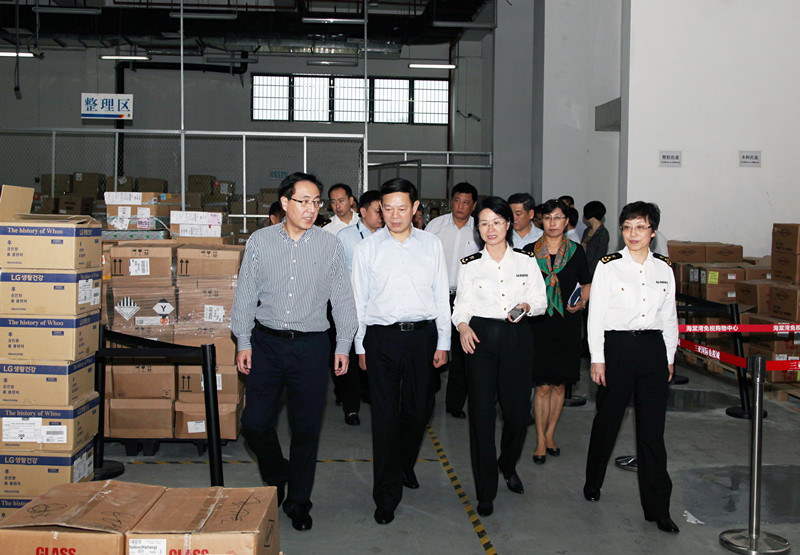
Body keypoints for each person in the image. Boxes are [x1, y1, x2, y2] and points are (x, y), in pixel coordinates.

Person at [231, 172, 357, 533]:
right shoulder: (260, 241)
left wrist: (344, 344)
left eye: (316, 202)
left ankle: (299, 501)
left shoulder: (330, 245)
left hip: (311, 347)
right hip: (267, 344)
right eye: (303, 201)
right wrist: (243, 340)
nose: (311, 208)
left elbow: (343, 299)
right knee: (254, 423)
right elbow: (245, 294)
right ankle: (278, 473)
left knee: (306, 430)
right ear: (285, 203)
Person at [352, 177, 450, 526]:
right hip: (381, 339)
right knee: (384, 417)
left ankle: (404, 463)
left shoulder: (431, 245)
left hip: (422, 337)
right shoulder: (368, 249)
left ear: (415, 208)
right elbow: (359, 300)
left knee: (419, 409)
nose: (395, 215)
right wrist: (360, 344)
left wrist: (443, 341)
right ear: (380, 209)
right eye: (388, 209)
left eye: (402, 208)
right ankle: (385, 495)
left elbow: (441, 295)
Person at [583, 201, 679, 534]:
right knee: (608, 420)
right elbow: (596, 316)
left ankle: (658, 508)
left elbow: (669, 317)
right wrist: (597, 357)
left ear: (653, 231)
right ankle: (593, 481)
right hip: (618, 349)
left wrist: (669, 358)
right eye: (627, 227)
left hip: (653, 350)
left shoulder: (664, 269)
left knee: (652, 433)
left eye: (640, 227)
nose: (633, 233)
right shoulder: (608, 266)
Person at [452, 196, 547, 517]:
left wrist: (527, 305)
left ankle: (507, 463)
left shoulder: (526, 261)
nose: (490, 229)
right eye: (483, 223)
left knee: (518, 415)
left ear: (508, 224)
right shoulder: (470, 265)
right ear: (477, 228)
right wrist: (463, 327)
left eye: (496, 222)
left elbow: (541, 300)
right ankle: (485, 489)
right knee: (481, 416)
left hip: (517, 339)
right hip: (479, 340)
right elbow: (461, 306)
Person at [524, 199, 591, 465]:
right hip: (538, 325)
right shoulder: (529, 252)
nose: (552, 223)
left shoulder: (576, 252)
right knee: (542, 386)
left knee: (560, 385)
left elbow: (586, 284)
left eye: (558, 218)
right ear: (541, 221)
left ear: (566, 222)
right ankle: (540, 439)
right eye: (548, 218)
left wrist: (581, 303)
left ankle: (551, 434)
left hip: (567, 324)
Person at [425, 182, 479, 419]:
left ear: (473, 205)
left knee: (462, 352)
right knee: (431, 346)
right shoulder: (436, 226)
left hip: (466, 299)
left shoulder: (479, 229)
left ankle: (455, 404)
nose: (460, 206)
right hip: (436, 296)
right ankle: (427, 394)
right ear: (451, 201)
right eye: (457, 200)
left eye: (466, 202)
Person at [334, 190, 384, 425]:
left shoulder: (389, 236)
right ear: (363, 212)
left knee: (376, 357)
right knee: (353, 360)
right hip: (352, 308)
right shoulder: (345, 237)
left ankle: (375, 400)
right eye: (378, 210)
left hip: (380, 309)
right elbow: (336, 273)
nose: (382, 215)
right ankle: (351, 408)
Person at [581, 200, 609, 279]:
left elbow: (600, 256)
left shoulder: (603, 233)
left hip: (594, 273)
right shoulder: (586, 231)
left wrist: (588, 274)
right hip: (583, 269)